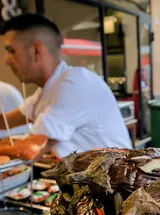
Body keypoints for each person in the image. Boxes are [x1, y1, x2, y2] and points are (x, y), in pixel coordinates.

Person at [0, 13, 132, 158]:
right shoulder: (48, 89)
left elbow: (31, 149)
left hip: (117, 178)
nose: (6, 60)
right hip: (87, 177)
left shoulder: (73, 84)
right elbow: (5, 122)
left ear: (36, 50)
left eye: (11, 51)